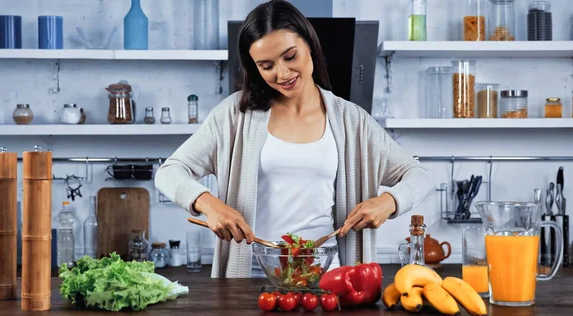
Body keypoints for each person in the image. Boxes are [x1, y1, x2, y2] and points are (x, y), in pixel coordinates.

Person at [155, 0, 434, 278]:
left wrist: (389, 201)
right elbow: (169, 172)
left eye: (290, 57)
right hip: (249, 278)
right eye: (267, 66)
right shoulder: (233, 116)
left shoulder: (352, 121)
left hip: (329, 278)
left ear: (310, 44)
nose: (283, 74)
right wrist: (208, 203)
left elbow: (418, 175)